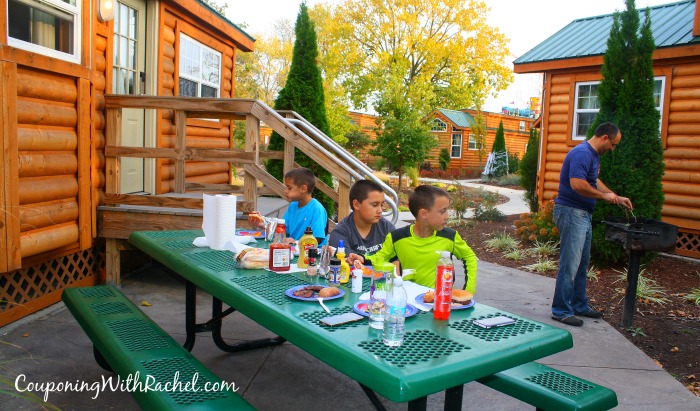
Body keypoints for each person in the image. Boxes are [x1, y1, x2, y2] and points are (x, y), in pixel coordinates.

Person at [552, 122, 633, 326]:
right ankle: (561, 310)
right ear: (605, 137)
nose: (613, 149)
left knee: (581, 263)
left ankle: (579, 305)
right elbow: (577, 184)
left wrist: (615, 196)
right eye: (613, 144)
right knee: (570, 264)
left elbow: (593, 181)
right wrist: (604, 198)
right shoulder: (582, 153)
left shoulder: (593, 155)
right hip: (571, 212)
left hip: (582, 214)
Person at [370, 185, 478, 294]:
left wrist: (468, 291)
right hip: (408, 300)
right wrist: (360, 258)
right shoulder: (396, 237)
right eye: (443, 211)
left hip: (441, 301)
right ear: (423, 214)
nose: (447, 216)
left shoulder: (450, 237)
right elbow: (378, 259)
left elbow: (469, 257)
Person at [328, 180, 395, 265]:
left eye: (381, 205)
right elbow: (351, 264)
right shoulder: (340, 233)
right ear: (356, 204)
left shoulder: (387, 228)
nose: (380, 211)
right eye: (374, 205)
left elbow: (397, 260)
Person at [283, 167, 328, 244]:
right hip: (293, 250)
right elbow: (283, 228)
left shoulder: (317, 209)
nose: (286, 191)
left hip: (312, 253)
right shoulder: (293, 206)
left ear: (303, 189)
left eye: (289, 188)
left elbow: (317, 238)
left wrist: (297, 242)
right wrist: (263, 224)